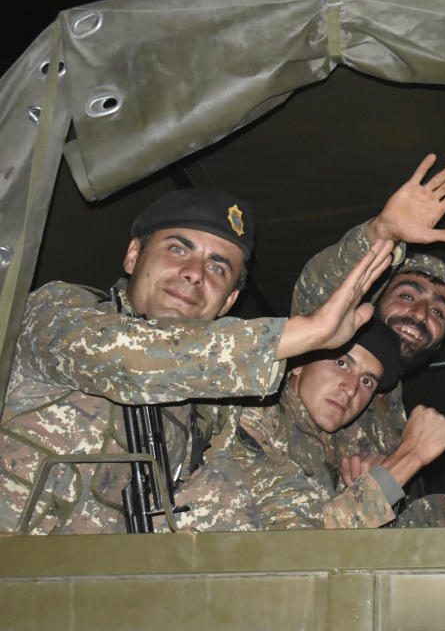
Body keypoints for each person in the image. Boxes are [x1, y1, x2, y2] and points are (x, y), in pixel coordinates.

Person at [0, 188, 393, 534]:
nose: (193, 274)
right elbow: (131, 358)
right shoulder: (55, 311)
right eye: (178, 249)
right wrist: (304, 333)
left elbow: (273, 496)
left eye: (217, 267)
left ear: (228, 302)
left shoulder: (215, 414)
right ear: (134, 254)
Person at [290, 154, 445, 524]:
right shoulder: (320, 344)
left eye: (438, 312)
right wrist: (381, 233)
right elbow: (323, 290)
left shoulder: (395, 418)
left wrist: (385, 470)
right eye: (408, 295)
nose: (420, 315)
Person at [175, 317, 445, 530]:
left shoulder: (333, 451)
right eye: (342, 364)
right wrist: (407, 459)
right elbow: (301, 553)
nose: (350, 388)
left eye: (367, 381)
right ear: (298, 363)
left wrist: (364, 486)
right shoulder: (252, 416)